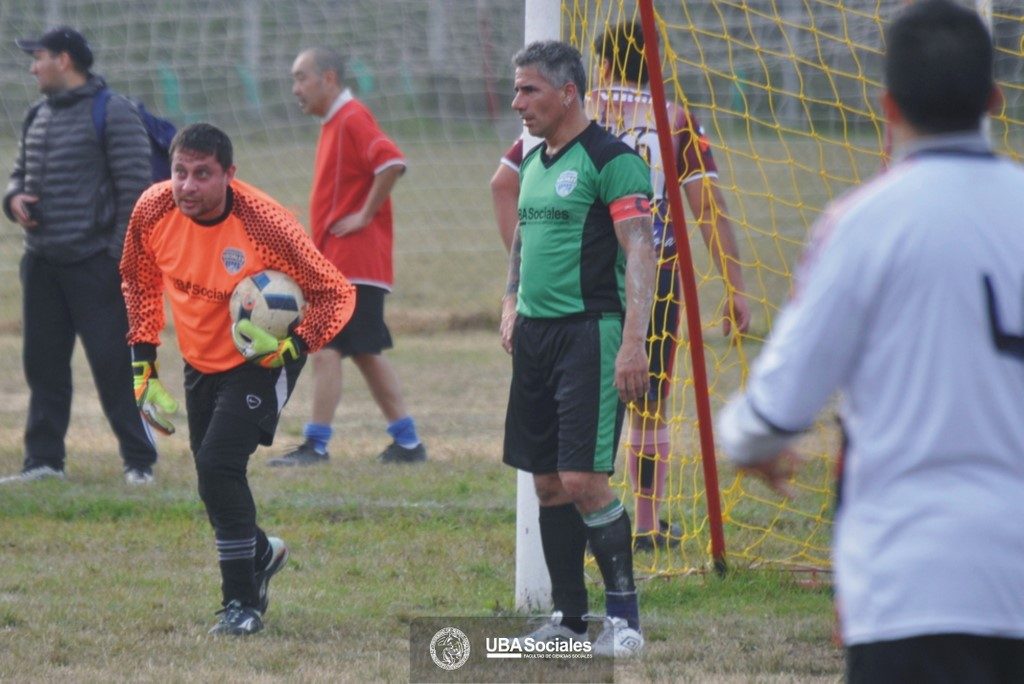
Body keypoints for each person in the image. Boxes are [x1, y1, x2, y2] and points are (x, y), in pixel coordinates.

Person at [717, 1, 1024, 680]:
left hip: (910, 587)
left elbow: (774, 410)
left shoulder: (862, 225)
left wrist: (750, 442)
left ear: (886, 106)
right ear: (997, 100)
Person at [120, 123, 355, 635]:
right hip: (201, 363)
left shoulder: (267, 224)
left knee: (217, 465)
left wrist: (293, 346)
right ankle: (261, 552)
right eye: (180, 172)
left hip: (260, 363)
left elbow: (337, 294)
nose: (187, 186)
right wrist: (144, 366)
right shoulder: (152, 209)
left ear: (230, 174)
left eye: (202, 175)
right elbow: (138, 281)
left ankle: (241, 605)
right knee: (212, 482)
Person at [501, 40, 656, 658]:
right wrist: (511, 302)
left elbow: (640, 248)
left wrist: (634, 343)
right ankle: (568, 619)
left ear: (568, 92)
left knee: (584, 479)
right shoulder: (535, 160)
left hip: (590, 333)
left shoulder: (611, 160)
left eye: (529, 90)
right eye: (516, 90)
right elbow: (521, 241)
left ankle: (625, 621)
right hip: (535, 338)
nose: (518, 103)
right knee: (546, 485)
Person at [589, 21, 749, 551]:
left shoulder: (576, 109)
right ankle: (645, 524)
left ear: (605, 64)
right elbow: (708, 208)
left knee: (581, 393)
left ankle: (583, 514)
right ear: (656, 61)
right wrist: (735, 287)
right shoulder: (675, 119)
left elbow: (507, 179)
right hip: (650, 275)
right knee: (648, 400)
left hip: (583, 272)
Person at [2, 26, 159, 485]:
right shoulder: (37, 114)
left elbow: (136, 193)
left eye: (39, 57)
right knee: (43, 366)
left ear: (65, 60)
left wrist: (115, 259)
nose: (32, 67)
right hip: (42, 263)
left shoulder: (114, 112)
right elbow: (17, 175)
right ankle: (44, 461)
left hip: (96, 265)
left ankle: (139, 462)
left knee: (114, 368)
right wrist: (13, 199)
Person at [270, 46, 426, 467]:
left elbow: (391, 161)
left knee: (323, 348)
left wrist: (364, 215)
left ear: (330, 79)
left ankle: (316, 445)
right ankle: (408, 443)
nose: (295, 88)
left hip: (353, 263)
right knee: (364, 352)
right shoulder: (334, 123)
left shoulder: (352, 117)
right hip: (347, 264)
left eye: (301, 77)